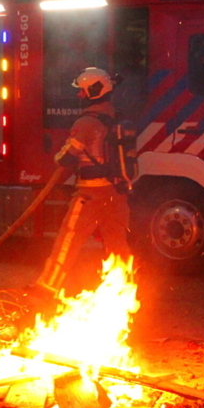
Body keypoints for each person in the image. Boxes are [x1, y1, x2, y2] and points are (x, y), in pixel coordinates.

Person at [34, 67, 132, 297]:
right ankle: (123, 291)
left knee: (67, 243)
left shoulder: (86, 122)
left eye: (82, 91)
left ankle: (45, 290)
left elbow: (67, 156)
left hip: (89, 195)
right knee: (118, 246)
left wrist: (57, 155)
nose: (79, 96)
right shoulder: (115, 117)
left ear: (93, 92)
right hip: (116, 195)